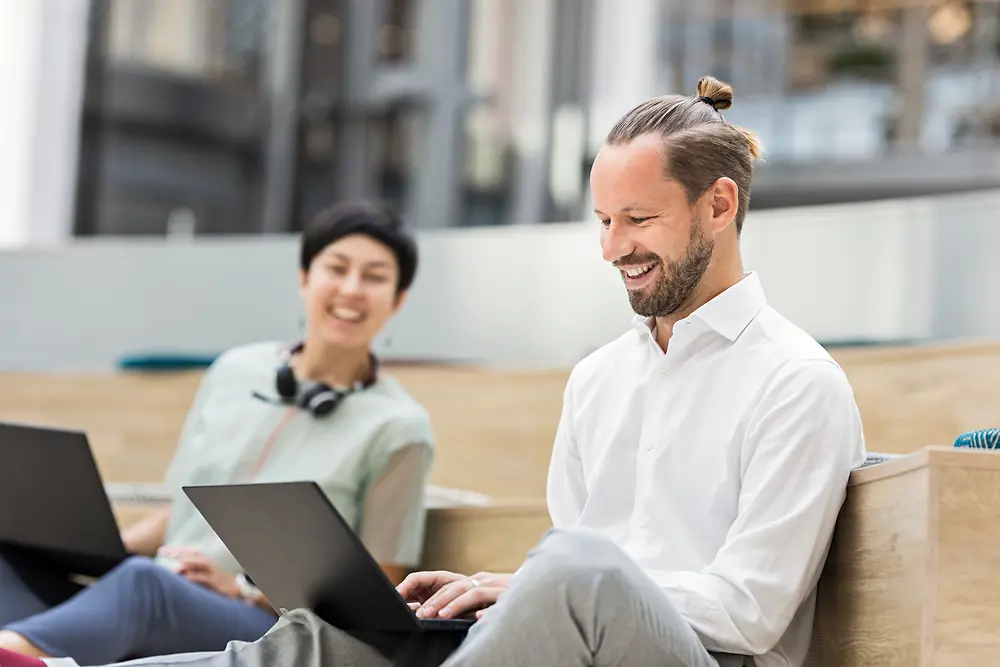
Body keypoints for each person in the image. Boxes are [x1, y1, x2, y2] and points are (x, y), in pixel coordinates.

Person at [5, 75, 867, 667]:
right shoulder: (599, 378)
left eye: (637, 219)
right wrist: (509, 595)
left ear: (719, 205)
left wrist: (542, 583)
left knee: (575, 567)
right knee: (339, 635)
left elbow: (752, 610)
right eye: (602, 220)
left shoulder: (796, 379)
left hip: (700, 655)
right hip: (563, 640)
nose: (612, 249)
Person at [0, 202, 435, 664]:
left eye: (374, 277)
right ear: (305, 277)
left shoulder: (400, 428)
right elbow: (182, 510)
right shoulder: (234, 371)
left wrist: (244, 590)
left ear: (398, 299)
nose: (351, 289)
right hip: (164, 587)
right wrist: (97, 551)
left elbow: (382, 589)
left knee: (144, 587)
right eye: (337, 268)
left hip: (271, 625)